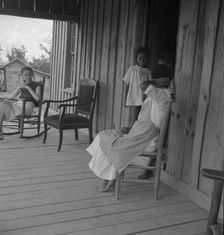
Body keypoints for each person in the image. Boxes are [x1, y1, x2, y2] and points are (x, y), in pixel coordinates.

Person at [87, 77, 172, 192]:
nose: (154, 79)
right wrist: (129, 128)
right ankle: (109, 177)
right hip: (136, 132)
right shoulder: (156, 96)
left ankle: (109, 179)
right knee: (103, 136)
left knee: (110, 143)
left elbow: (143, 85)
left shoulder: (161, 96)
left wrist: (158, 82)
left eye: (157, 77)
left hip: (142, 138)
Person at [0, 66, 41, 140]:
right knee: (2, 104)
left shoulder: (37, 85)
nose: (28, 77)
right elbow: (11, 96)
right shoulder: (21, 86)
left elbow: (38, 99)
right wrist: (1, 96)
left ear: (32, 75)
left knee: (3, 106)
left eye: (29, 74)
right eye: (25, 75)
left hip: (27, 106)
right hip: (19, 105)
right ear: (22, 76)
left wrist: (29, 88)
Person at [123, 47, 151, 128]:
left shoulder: (148, 72)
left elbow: (150, 87)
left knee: (141, 119)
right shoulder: (132, 69)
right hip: (134, 98)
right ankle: (129, 133)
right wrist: (125, 99)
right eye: (140, 58)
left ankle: (133, 133)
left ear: (148, 59)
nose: (142, 60)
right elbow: (127, 85)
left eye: (145, 58)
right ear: (136, 59)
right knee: (133, 119)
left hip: (144, 99)